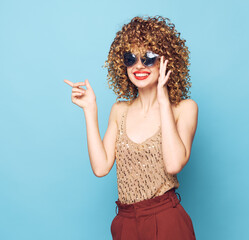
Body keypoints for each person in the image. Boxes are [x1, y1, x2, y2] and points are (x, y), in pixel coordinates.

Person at [64, 15, 198, 240]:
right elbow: (100, 168)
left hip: (166, 220)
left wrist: (163, 99)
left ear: (166, 60)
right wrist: (90, 110)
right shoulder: (120, 111)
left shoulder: (184, 109)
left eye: (148, 57)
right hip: (126, 223)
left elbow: (174, 163)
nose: (138, 65)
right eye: (130, 58)